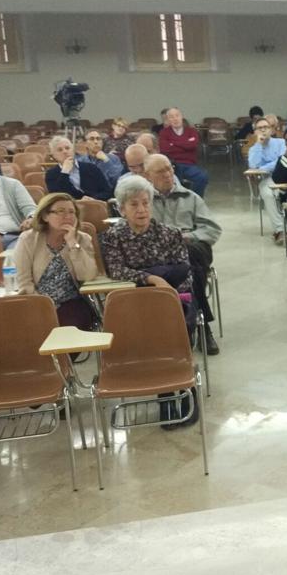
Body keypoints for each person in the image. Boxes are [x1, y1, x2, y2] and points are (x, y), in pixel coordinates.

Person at [102, 176, 200, 428]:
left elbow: (185, 273)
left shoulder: (170, 234)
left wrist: (167, 291)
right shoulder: (113, 237)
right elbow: (115, 270)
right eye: (134, 204)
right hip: (134, 305)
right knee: (155, 328)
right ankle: (167, 394)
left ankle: (182, 388)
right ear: (121, 209)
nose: (142, 209)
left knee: (176, 323)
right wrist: (153, 277)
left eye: (146, 203)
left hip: (173, 300)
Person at [145, 154, 222, 354]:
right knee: (190, 268)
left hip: (192, 245)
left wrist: (187, 237)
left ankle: (194, 325)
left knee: (189, 257)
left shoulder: (191, 197)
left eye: (169, 168)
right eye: (160, 171)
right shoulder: (144, 202)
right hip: (159, 252)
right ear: (148, 176)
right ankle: (200, 324)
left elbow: (212, 230)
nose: (167, 174)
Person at [14, 193, 97, 330]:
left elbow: (87, 275)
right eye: (61, 211)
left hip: (71, 302)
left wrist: (72, 242)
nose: (68, 216)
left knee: (67, 331)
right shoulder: (28, 239)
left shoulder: (82, 239)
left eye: (72, 212)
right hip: (35, 301)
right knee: (31, 331)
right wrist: (43, 305)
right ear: (45, 216)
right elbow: (24, 282)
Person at [247, 117, 287, 244]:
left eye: (266, 127)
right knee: (268, 193)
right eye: (260, 128)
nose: (263, 130)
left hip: (284, 176)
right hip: (267, 179)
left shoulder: (281, 143)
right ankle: (280, 230)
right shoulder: (254, 149)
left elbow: (281, 162)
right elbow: (253, 166)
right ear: (255, 132)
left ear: (271, 130)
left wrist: (263, 167)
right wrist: (259, 144)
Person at [158, 107, 209, 198]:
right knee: (171, 181)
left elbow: (193, 145)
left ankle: (195, 200)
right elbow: (165, 149)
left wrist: (173, 143)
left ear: (181, 117)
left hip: (189, 164)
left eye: (177, 115)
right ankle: (175, 201)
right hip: (172, 164)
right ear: (168, 119)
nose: (175, 119)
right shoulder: (164, 133)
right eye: (171, 117)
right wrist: (185, 143)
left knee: (202, 177)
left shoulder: (191, 131)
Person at [45, 136, 113, 202]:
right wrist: (64, 173)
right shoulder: (51, 174)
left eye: (67, 148)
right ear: (53, 155)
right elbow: (58, 198)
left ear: (73, 150)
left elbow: (107, 192)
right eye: (60, 150)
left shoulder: (91, 168)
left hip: (94, 207)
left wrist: (94, 199)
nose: (65, 152)